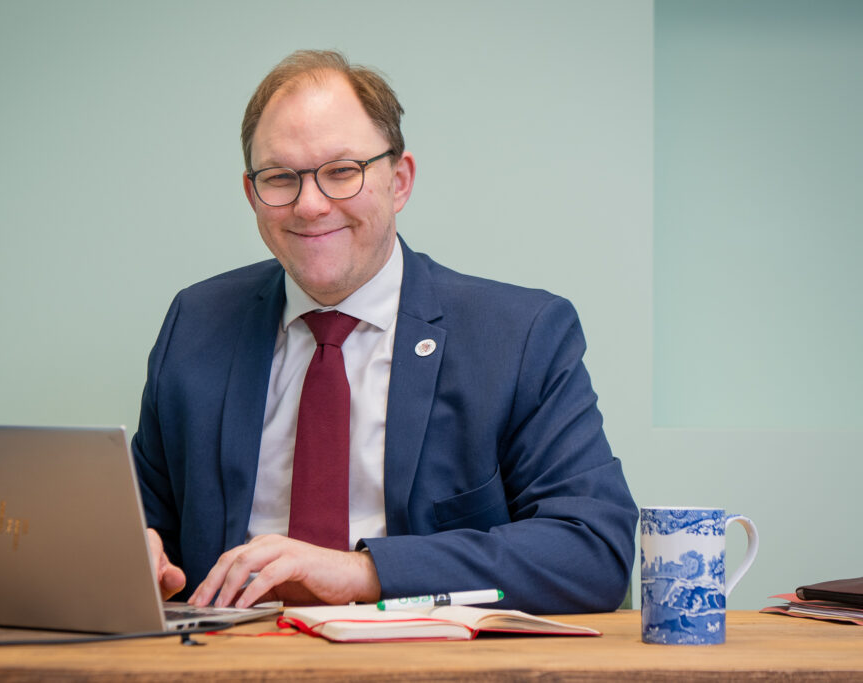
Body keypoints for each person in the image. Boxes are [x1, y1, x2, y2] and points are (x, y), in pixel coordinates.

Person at [132, 50, 638, 614]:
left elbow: (593, 551)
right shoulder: (196, 324)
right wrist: (137, 551)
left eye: (342, 172)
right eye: (280, 178)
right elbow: (151, 525)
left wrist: (364, 573)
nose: (310, 204)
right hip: (231, 663)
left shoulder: (518, 336)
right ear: (252, 195)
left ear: (399, 181)